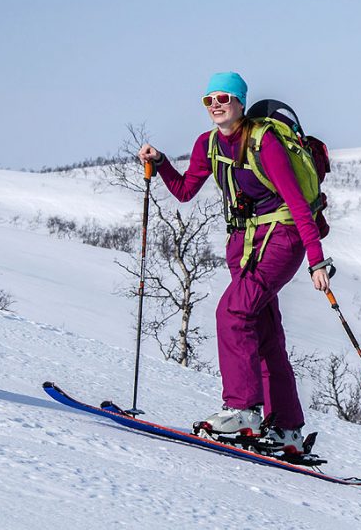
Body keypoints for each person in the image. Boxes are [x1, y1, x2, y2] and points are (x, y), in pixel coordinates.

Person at [138, 72, 330, 454]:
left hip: (283, 237)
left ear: (240, 101)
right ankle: (287, 429)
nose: (216, 106)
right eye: (208, 100)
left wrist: (316, 261)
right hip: (244, 242)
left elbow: (296, 202)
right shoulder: (208, 144)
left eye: (223, 98)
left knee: (233, 312)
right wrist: (160, 164)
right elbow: (184, 190)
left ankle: (243, 410)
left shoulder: (264, 141)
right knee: (263, 332)